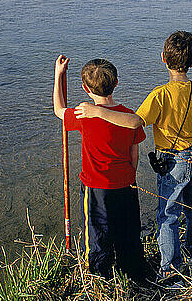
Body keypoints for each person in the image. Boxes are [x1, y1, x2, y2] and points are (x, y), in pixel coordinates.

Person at [73, 31, 192, 282]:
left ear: (163, 59)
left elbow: (134, 122)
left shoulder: (160, 95)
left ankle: (170, 266)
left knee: (168, 214)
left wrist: (97, 112)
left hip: (173, 160)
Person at [53, 55, 147, 281]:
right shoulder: (127, 115)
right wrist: (130, 174)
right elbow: (135, 152)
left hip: (97, 188)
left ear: (85, 88)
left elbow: (59, 109)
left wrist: (58, 75)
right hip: (126, 183)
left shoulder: (84, 115)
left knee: (97, 232)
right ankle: (133, 271)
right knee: (129, 230)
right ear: (116, 83)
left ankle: (99, 276)